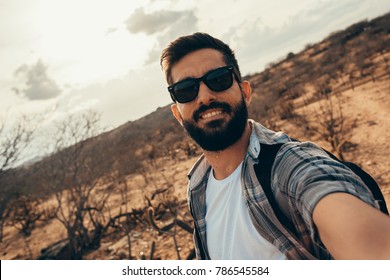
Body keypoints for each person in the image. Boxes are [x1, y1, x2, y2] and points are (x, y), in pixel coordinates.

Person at [159, 32, 390, 260]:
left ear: (245, 92)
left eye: (218, 79)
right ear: (177, 114)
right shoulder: (198, 186)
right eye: (186, 90)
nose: (204, 96)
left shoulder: (289, 166)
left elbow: (360, 233)